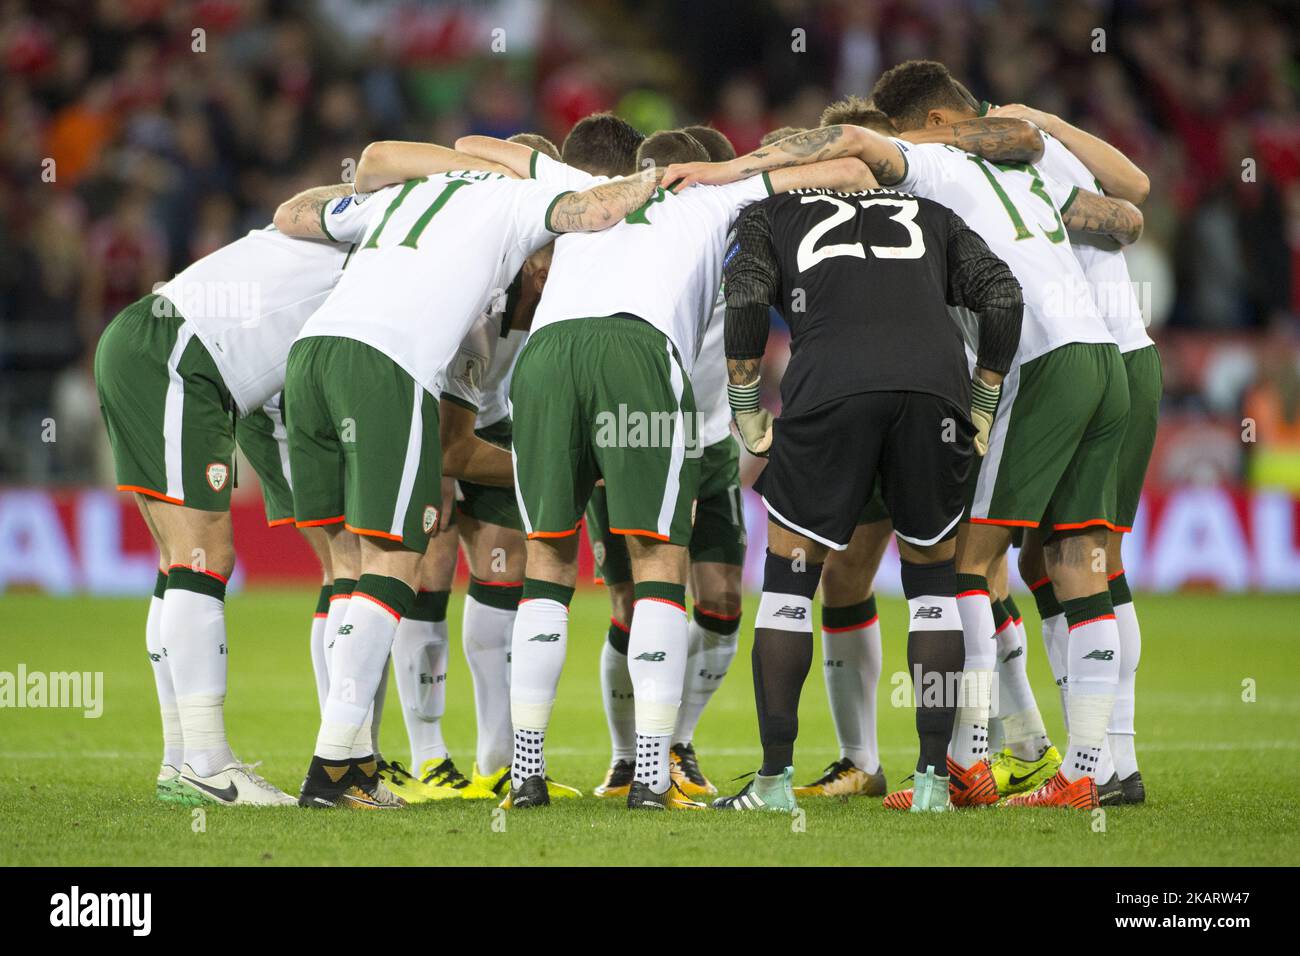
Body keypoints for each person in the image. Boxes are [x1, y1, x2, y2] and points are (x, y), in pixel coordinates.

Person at [665, 62, 1145, 809]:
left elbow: (757, 287)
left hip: (918, 382)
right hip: (1039, 371)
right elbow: (1127, 216)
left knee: (944, 568)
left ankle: (957, 763)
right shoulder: (989, 184)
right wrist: (980, 395)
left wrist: (748, 401)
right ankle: (1076, 765)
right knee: (1050, 562)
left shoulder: (921, 173)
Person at [458, 126, 872, 810]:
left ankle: (526, 775)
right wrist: (735, 170)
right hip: (639, 351)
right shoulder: (711, 197)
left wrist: (549, 170)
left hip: (546, 360)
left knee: (548, 562)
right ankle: (650, 775)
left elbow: (477, 142)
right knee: (657, 563)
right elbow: (854, 167)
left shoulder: (576, 188)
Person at [275, 149, 659, 808]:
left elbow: (298, 211)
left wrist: (435, 165)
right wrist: (661, 178)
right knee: (397, 562)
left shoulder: (411, 194)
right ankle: (335, 767)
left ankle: (353, 761)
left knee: (349, 564)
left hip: (310, 357)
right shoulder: (514, 201)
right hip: (384, 366)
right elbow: (596, 207)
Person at [709, 173, 1023, 813]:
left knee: (790, 583)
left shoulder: (773, 210)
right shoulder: (929, 211)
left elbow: (743, 296)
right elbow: (1004, 295)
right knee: (933, 585)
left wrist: (744, 401)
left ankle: (773, 782)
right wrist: (985, 397)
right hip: (934, 393)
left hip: (831, 389)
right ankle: (935, 781)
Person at [95, 187, 359, 807]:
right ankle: (209, 765)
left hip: (155, 343)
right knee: (203, 560)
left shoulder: (346, 234)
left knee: (176, 564)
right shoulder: (377, 254)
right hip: (178, 356)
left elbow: (293, 212)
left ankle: (180, 760)